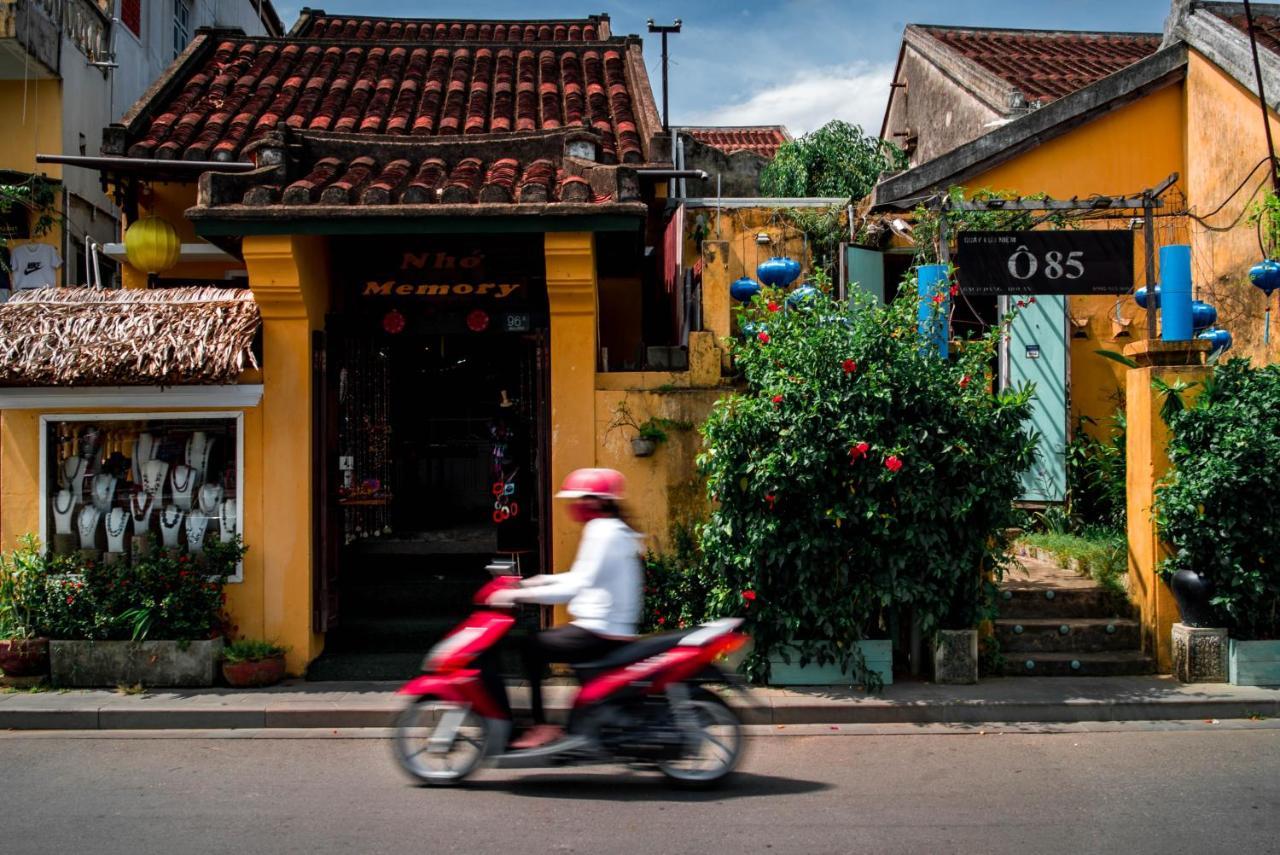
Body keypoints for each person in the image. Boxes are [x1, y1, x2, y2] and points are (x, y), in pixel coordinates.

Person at [489, 468, 642, 750]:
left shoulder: (602, 531)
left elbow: (576, 585)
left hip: (599, 631)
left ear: (596, 501)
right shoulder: (612, 529)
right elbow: (580, 576)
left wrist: (523, 596)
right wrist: (533, 582)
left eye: (580, 499)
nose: (575, 506)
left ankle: (540, 727)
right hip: (605, 628)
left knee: (531, 647)